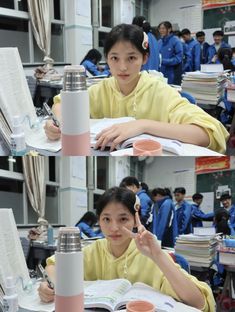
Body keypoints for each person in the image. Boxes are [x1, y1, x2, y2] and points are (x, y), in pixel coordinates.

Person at [44, 23, 229, 154]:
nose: (122, 67)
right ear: (106, 59)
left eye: (131, 58)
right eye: (114, 58)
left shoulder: (159, 91)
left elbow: (207, 133)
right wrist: (59, 123)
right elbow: (60, 103)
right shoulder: (101, 90)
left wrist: (143, 124)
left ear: (145, 58)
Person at [38, 187, 215, 311]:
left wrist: (158, 255)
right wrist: (52, 285)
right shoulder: (94, 250)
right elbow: (54, 265)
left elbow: (199, 303)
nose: (114, 228)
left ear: (135, 221)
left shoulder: (149, 255)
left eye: (123, 219)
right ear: (99, 221)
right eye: (106, 219)